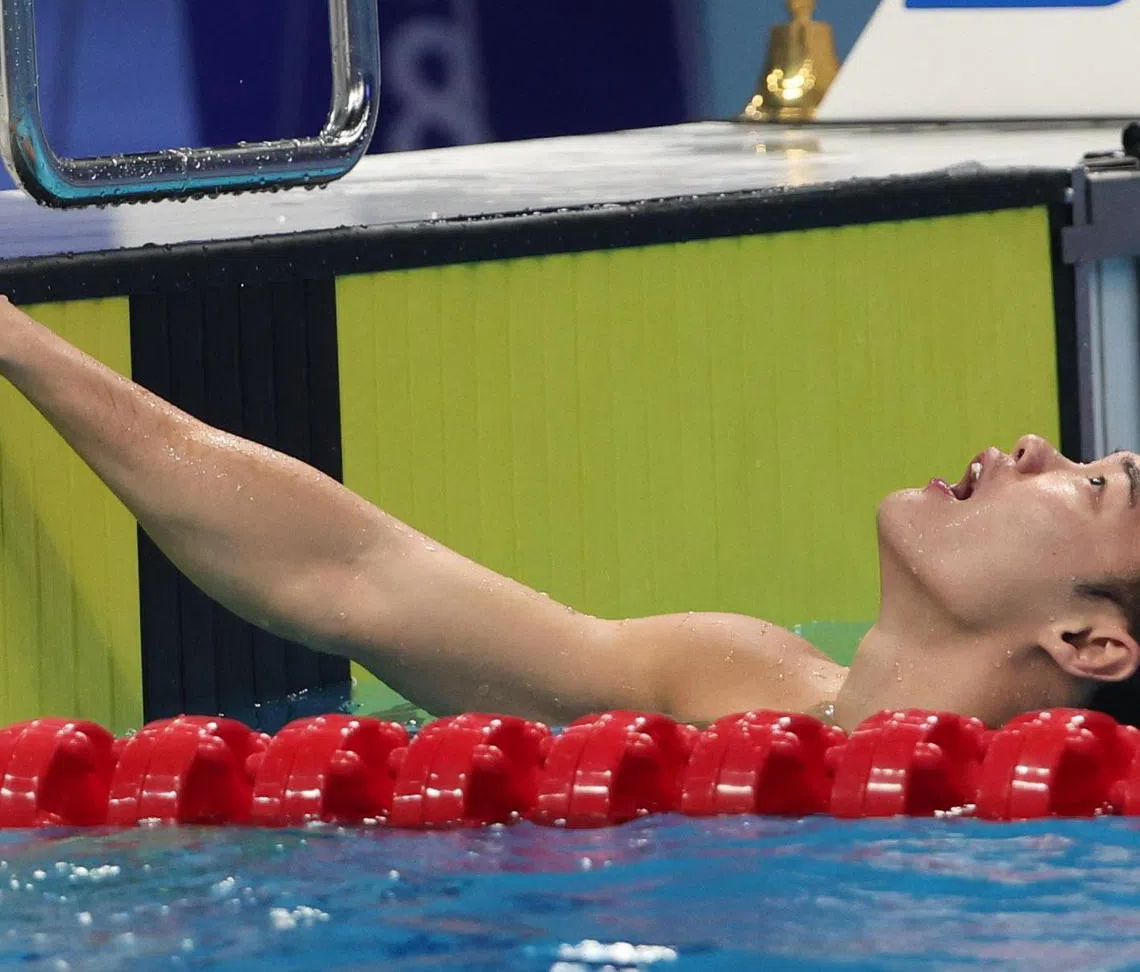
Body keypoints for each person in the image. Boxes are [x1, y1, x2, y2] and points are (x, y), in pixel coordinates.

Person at [0, 295, 1137, 731]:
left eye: (1091, 485)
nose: (1037, 444)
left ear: (1090, 643)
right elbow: (354, 576)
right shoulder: (729, 676)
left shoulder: (1052, 847)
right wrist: (19, 339)